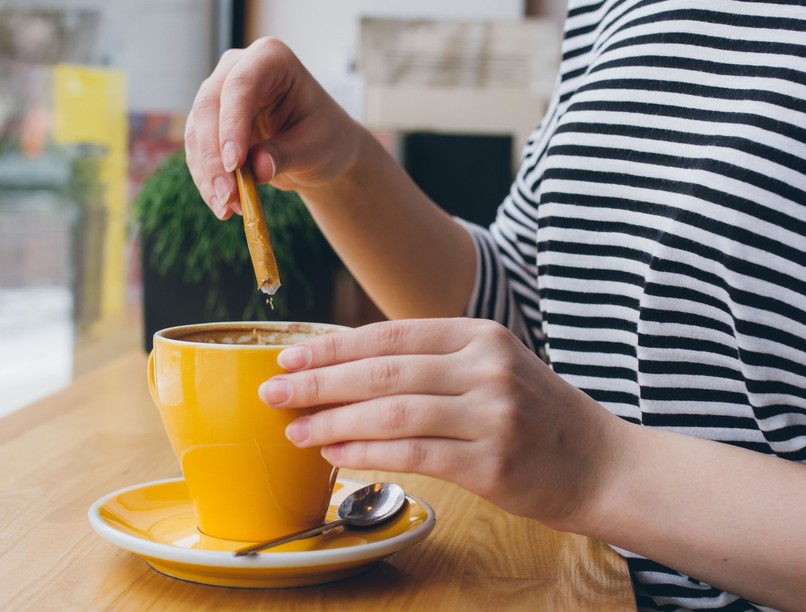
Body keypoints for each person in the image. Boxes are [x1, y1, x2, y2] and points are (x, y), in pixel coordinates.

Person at [183, 1, 806, 609]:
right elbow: (533, 314)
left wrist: (599, 470)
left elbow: (575, 435)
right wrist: (342, 167)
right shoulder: (608, 9)